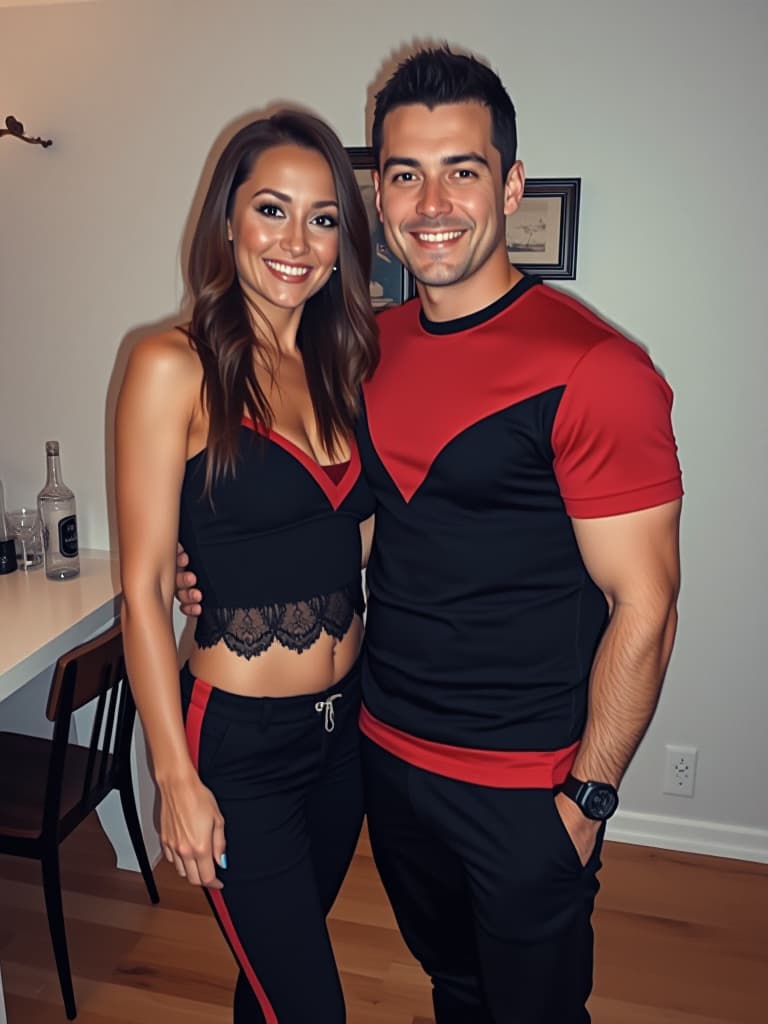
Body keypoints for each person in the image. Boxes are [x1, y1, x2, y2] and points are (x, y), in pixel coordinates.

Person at [177, 48, 683, 1024]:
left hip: (524, 783)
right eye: (405, 172)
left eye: (464, 169)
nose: (432, 199)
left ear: (513, 185)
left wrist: (591, 797)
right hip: (383, 754)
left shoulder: (595, 368)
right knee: (453, 990)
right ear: (380, 190)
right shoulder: (366, 347)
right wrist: (220, 578)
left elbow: (646, 605)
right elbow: (340, 516)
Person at [116, 110, 379, 1023]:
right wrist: (174, 780)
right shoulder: (171, 365)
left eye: (322, 218)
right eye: (272, 209)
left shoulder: (342, 360)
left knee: (271, 970)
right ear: (227, 218)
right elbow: (147, 591)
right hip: (236, 749)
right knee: (310, 1005)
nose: (295, 241)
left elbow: (353, 535)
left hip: (345, 731)